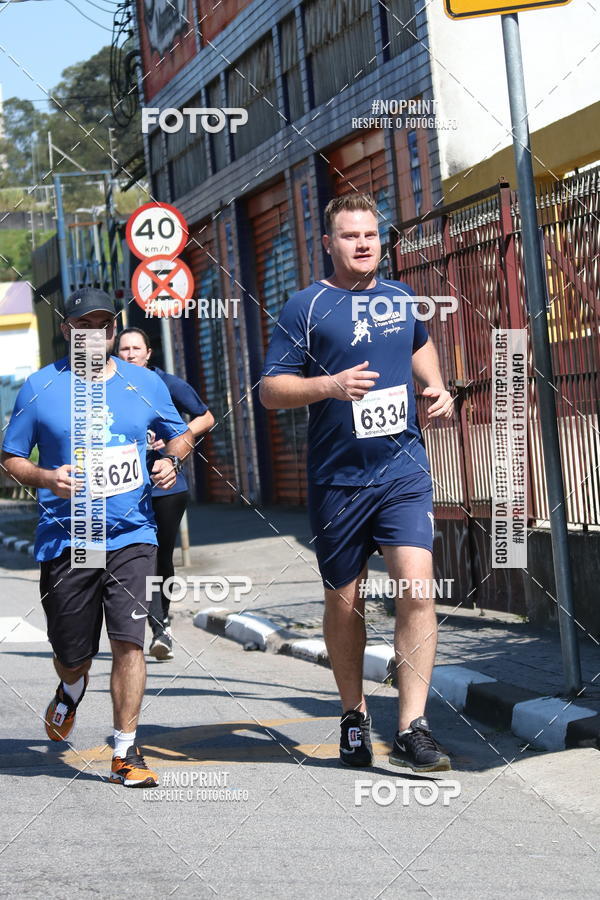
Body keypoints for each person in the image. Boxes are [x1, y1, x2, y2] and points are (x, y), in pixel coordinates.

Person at [260, 193, 454, 772]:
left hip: (403, 471)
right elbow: (271, 390)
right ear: (329, 243)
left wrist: (438, 389)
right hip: (338, 480)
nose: (363, 244)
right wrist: (330, 385)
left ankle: (414, 726)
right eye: (350, 235)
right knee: (347, 602)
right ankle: (353, 714)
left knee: (417, 589)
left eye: (371, 234)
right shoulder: (305, 307)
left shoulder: (400, 299)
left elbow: (420, 347)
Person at [1, 288, 193, 788]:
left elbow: (180, 433)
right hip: (71, 537)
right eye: (84, 324)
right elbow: (10, 458)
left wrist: (171, 459)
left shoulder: (145, 383)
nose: (96, 333)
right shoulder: (40, 388)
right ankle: (71, 687)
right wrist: (46, 478)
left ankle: (126, 751)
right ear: (67, 329)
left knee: (130, 643)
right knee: (72, 652)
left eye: (105, 325)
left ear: (113, 331)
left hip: (133, 533)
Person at [115, 327, 214, 660]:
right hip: (125, 488)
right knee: (138, 556)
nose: (129, 354)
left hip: (166, 486)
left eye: (135, 348)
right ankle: (153, 627)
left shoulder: (164, 384)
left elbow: (206, 417)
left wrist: (174, 440)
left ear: (148, 353)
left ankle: (162, 623)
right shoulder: (111, 385)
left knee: (161, 558)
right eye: (124, 349)